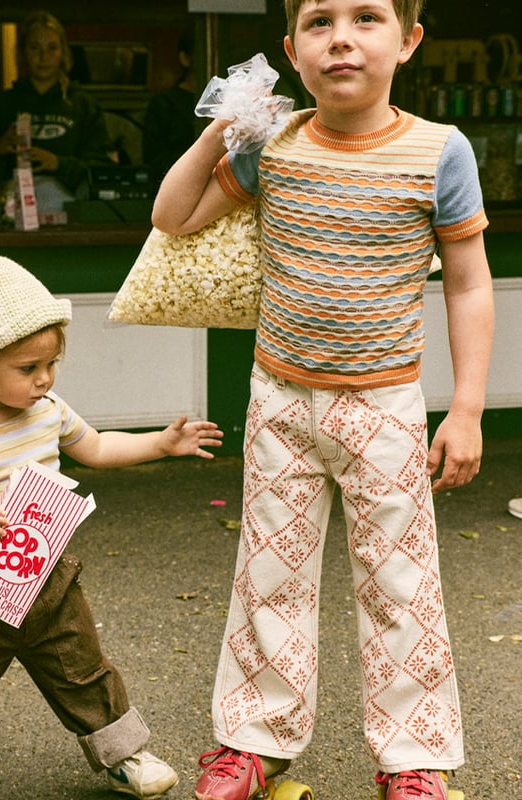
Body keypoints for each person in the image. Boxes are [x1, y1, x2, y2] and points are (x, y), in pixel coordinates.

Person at [151, 1, 495, 799]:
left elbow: (470, 284)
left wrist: (468, 408)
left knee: (403, 585)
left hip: (386, 408)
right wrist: (223, 129)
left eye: (367, 17)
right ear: (291, 49)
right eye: (318, 22)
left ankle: (415, 759)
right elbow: (173, 217)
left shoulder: (441, 151)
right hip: (280, 401)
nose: (341, 37)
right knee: (267, 576)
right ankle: (255, 744)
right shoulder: (272, 146)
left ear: (408, 41)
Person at [0, 250, 224, 800]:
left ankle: (122, 755)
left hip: (45, 573)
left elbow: (95, 447)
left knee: (80, 664)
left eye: (52, 363)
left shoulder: (49, 408)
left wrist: (160, 443)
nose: (44, 378)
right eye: (27, 368)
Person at [0, 9, 115, 213]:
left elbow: (103, 168)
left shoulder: (83, 105)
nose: (44, 57)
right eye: (35, 48)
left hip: (70, 209)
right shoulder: (3, 103)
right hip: (11, 209)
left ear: (63, 53)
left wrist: (58, 163)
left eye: (52, 48)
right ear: (23, 53)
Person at [143, 35, 204, 190]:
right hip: (177, 188)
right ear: (185, 58)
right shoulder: (164, 104)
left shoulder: (228, 102)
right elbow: (153, 159)